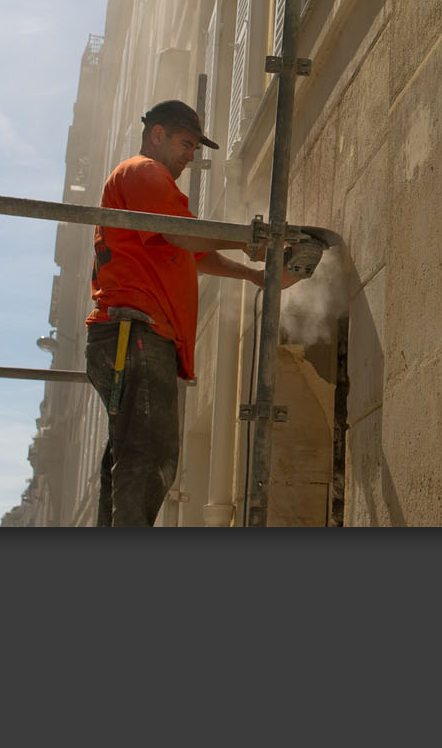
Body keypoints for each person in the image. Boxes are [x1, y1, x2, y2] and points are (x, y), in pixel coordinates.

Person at [85, 99, 296, 526]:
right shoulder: (144, 172)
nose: (190, 156)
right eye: (186, 143)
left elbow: (190, 251)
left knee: (129, 456)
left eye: (195, 148)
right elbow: (185, 235)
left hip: (128, 334)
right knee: (150, 455)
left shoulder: (150, 201)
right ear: (156, 134)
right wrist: (249, 240)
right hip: (135, 332)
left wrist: (255, 276)